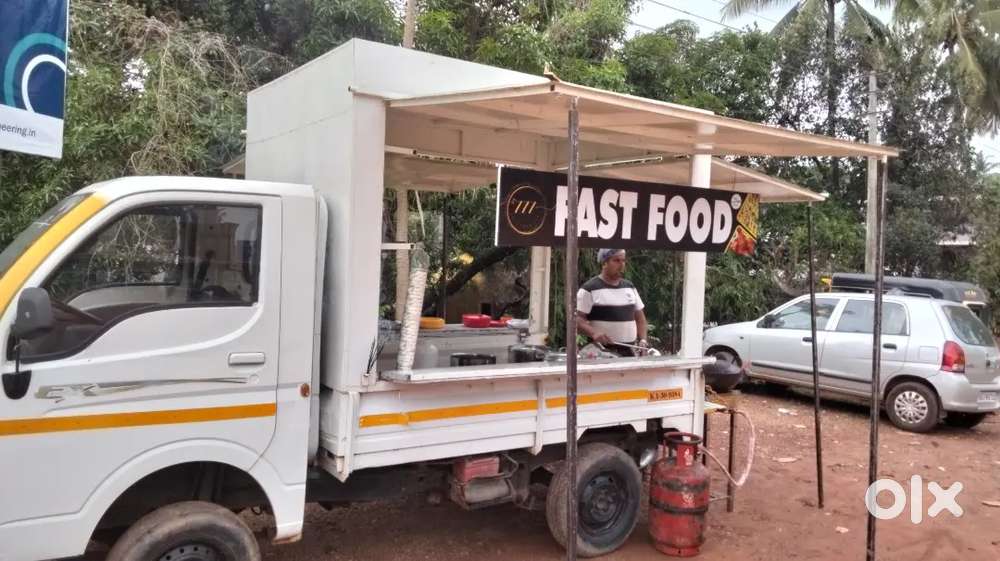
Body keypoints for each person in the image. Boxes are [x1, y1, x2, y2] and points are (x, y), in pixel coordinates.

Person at [575, 248, 649, 357]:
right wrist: (593, 332)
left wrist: (643, 340)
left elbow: (640, 318)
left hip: (629, 352)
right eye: (617, 260)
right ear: (604, 263)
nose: (622, 265)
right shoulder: (589, 289)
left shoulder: (630, 287)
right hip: (601, 353)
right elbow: (576, 320)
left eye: (623, 261)